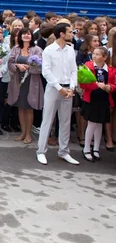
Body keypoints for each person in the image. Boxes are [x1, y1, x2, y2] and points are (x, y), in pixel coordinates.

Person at [36, 23, 79, 166]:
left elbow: (74, 70)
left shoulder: (70, 50)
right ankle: (41, 151)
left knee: (65, 121)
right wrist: (59, 87)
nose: (72, 34)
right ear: (62, 34)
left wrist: (72, 87)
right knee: (47, 120)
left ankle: (64, 151)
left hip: (68, 89)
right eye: (70, 32)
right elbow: (46, 71)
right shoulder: (49, 50)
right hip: (54, 88)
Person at [7, 28, 44, 144]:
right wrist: (17, 66)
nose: (26, 36)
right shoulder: (16, 48)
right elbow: (10, 63)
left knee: (29, 108)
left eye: (28, 34)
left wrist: (30, 68)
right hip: (18, 82)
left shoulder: (37, 50)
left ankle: (28, 134)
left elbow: (42, 66)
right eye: (24, 34)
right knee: (20, 107)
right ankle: (22, 132)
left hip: (31, 82)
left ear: (32, 36)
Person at [80, 47, 115, 162]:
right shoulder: (88, 66)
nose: (94, 56)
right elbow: (83, 84)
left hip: (103, 99)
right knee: (91, 123)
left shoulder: (111, 70)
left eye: (98, 54)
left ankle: (96, 148)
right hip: (92, 99)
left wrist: (110, 87)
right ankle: (86, 148)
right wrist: (96, 85)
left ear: (104, 57)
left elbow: (114, 84)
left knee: (100, 124)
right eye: (94, 54)